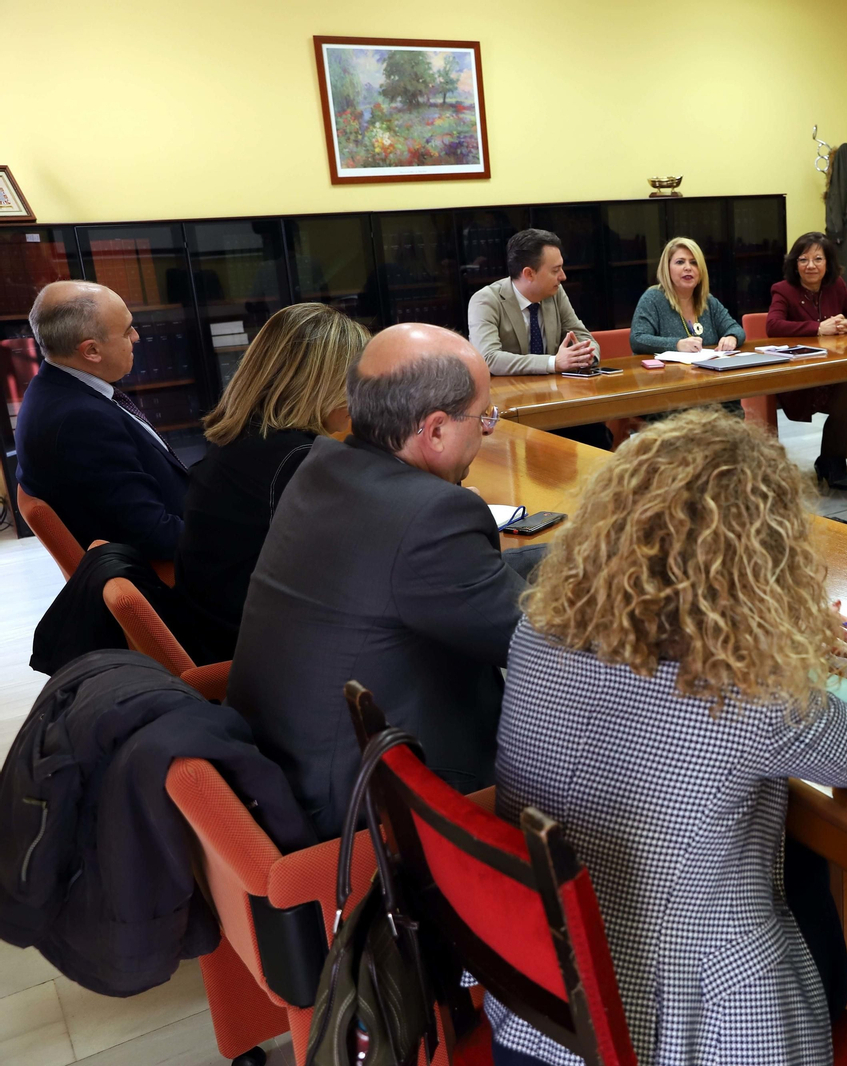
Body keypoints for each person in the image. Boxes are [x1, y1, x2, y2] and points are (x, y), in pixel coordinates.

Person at [489, 408, 847, 1066]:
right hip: (685, 1026)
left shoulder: (539, 630)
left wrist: (776, 634)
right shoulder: (739, 692)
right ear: (759, 555)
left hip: (536, 993)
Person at [229, 323, 543, 839]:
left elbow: (455, 583)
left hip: (290, 768)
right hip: (370, 808)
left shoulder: (322, 465)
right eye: (484, 415)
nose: (489, 429)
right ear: (435, 429)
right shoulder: (432, 516)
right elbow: (546, 646)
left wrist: (568, 557)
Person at [172, 303, 367, 664]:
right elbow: (359, 566)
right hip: (264, 657)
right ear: (320, 383)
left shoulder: (245, 439)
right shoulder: (294, 459)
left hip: (214, 628)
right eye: (358, 380)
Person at [16, 281, 189, 559]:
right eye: (126, 330)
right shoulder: (82, 423)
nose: (136, 337)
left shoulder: (52, 387)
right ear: (91, 351)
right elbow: (156, 536)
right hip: (181, 576)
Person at [466, 228, 610, 450]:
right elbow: (488, 358)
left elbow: (582, 335)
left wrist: (585, 356)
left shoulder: (556, 294)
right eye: (556, 270)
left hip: (556, 398)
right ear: (529, 273)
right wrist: (554, 363)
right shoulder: (486, 301)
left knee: (596, 433)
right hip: (510, 405)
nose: (563, 276)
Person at [768, 232, 847, 490]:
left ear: (828, 263)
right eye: (804, 259)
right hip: (800, 377)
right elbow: (773, 325)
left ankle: (832, 461)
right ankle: (832, 462)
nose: (811, 265)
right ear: (794, 263)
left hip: (833, 371)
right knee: (846, 387)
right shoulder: (783, 290)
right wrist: (818, 328)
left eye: (818, 259)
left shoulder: (836, 286)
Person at [630, 236, 746, 355]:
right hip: (664, 372)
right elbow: (638, 339)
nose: (688, 268)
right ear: (667, 268)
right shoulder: (653, 298)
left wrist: (732, 337)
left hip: (706, 371)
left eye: (694, 263)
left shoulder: (708, 301)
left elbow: (736, 329)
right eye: (680, 262)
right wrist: (677, 344)